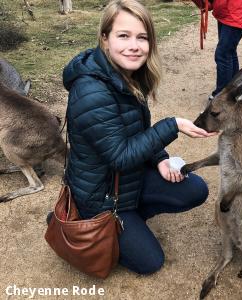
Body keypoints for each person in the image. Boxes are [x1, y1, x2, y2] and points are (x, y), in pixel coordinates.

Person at [61, 0, 217, 275]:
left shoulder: (127, 75)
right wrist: (173, 125)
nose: (134, 45)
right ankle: (98, 221)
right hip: (102, 196)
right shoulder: (91, 91)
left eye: (142, 37)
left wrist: (159, 159)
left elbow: (137, 130)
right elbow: (120, 156)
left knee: (195, 189)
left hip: (126, 181)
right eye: (124, 35)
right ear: (105, 39)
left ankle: (134, 217)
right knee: (150, 262)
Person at [208, 0, 242, 100]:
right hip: (225, 9)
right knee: (229, 51)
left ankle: (222, 98)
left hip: (236, 10)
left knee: (223, 54)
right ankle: (234, 89)